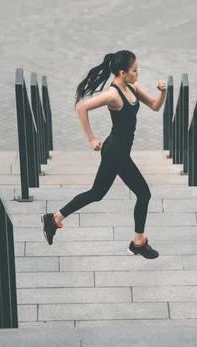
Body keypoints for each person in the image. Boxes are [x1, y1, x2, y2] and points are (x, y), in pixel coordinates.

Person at [41, 50, 166, 259]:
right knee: (143, 193)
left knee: (96, 194)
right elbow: (82, 107)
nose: (138, 74)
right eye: (135, 70)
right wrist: (91, 139)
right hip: (115, 153)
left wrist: (163, 93)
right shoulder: (113, 95)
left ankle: (54, 219)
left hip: (117, 152)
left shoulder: (132, 88)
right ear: (122, 72)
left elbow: (154, 106)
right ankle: (138, 242)